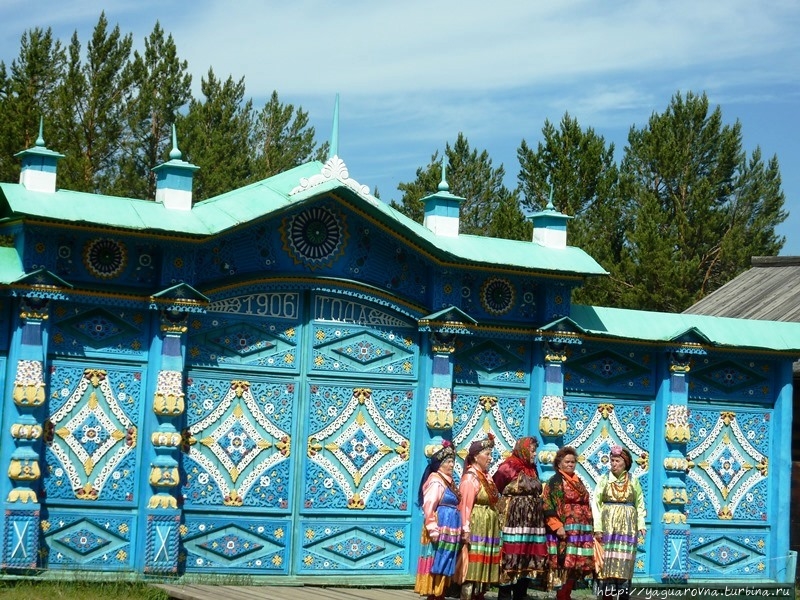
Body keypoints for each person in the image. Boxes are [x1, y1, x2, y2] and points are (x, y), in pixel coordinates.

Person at [492, 436, 547, 600]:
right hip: (514, 518)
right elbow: (496, 486)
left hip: (532, 522)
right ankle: (504, 594)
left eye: (535, 450)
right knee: (512, 553)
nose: (534, 454)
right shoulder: (509, 466)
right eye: (532, 450)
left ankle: (520, 593)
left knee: (527, 555)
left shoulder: (532, 468)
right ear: (523, 449)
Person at [592, 445, 646, 600]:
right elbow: (596, 503)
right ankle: (606, 595)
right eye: (612, 460)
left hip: (627, 527)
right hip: (608, 525)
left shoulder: (633, 481)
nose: (613, 464)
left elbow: (640, 503)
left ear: (625, 463)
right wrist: (598, 527)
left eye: (617, 461)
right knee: (606, 559)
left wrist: (641, 523)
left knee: (624, 560)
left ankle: (623, 594)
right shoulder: (604, 480)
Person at [543, 446, 595, 600]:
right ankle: (562, 594)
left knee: (576, 564)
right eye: (567, 462)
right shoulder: (555, 482)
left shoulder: (578, 481)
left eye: (573, 462)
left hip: (580, 531)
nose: (571, 465)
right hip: (565, 531)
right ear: (559, 464)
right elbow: (547, 504)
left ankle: (568, 593)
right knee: (565, 563)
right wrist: (557, 526)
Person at [414, 440, 463, 600]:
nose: (451, 465)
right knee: (437, 560)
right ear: (439, 464)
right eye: (448, 462)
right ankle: (434, 595)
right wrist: (433, 529)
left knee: (445, 560)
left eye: (453, 462)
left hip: (449, 529)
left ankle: (440, 594)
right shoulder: (436, 480)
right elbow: (429, 506)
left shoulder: (447, 480)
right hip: (439, 528)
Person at [455, 433, 501, 600]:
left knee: (484, 563)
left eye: (491, 454)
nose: (490, 458)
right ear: (475, 456)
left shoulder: (486, 476)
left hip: (488, 525)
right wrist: (465, 530)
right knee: (473, 565)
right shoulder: (470, 478)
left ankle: (480, 594)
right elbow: (465, 506)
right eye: (487, 454)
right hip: (477, 524)